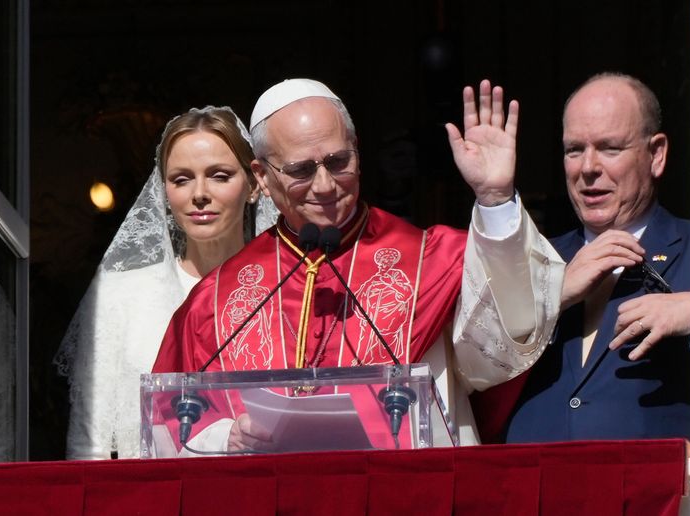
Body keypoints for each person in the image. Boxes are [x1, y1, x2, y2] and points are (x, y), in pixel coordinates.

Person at [152, 78, 565, 450]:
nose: (325, 185)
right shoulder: (217, 299)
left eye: (338, 162)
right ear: (261, 176)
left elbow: (505, 347)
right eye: (301, 170)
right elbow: (169, 418)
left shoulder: (433, 260)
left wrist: (494, 198)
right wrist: (226, 436)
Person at [55, 106, 279, 460]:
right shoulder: (119, 295)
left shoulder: (287, 290)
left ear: (253, 184)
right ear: (164, 191)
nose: (199, 193)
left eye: (219, 176)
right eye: (181, 179)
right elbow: (89, 443)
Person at [504, 73, 690, 443]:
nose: (588, 167)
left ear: (656, 155)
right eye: (574, 150)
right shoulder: (533, 259)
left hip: (654, 478)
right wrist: (551, 294)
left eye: (610, 148)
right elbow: (469, 366)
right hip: (535, 475)